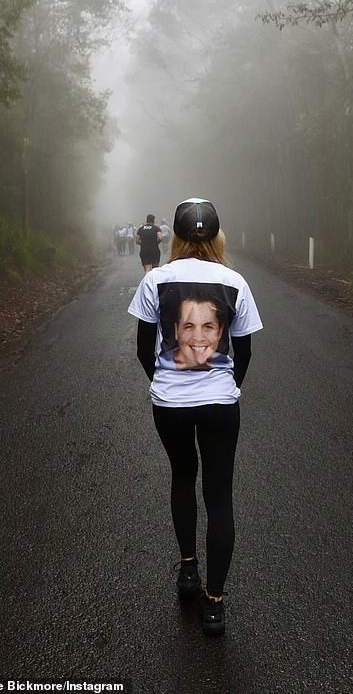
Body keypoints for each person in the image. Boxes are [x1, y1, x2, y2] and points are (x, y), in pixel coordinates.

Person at [128, 197, 263, 636]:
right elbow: (243, 349)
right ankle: (215, 603)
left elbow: (142, 347)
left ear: (178, 237)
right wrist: (230, 385)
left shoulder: (158, 280)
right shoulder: (235, 282)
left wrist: (163, 383)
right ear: (217, 236)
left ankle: (188, 570)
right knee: (220, 495)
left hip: (171, 405)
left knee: (183, 477)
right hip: (221, 403)